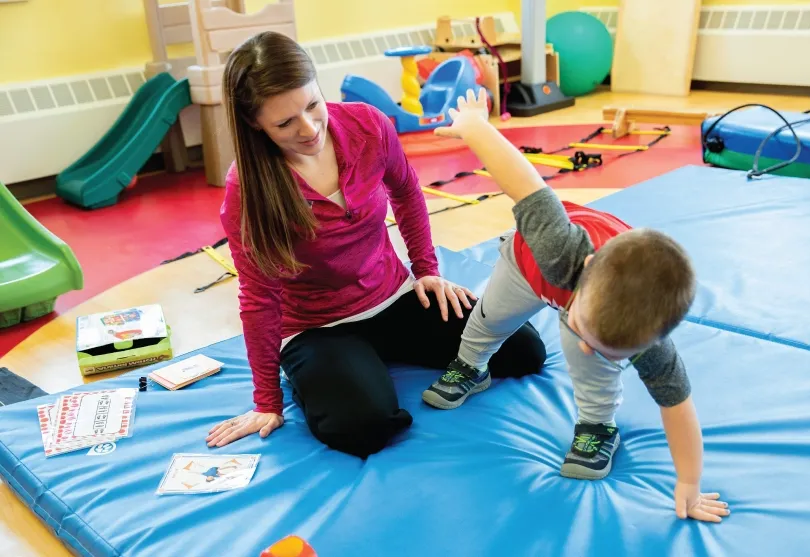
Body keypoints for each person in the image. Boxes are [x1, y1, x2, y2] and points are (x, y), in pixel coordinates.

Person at [204, 32, 546, 459]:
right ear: (255, 123)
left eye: (312, 105)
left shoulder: (367, 124)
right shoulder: (246, 190)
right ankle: (327, 372)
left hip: (393, 296)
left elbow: (407, 192)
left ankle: (369, 359)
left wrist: (426, 271)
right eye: (285, 123)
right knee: (363, 426)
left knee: (524, 350)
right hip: (318, 327)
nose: (309, 128)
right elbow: (258, 297)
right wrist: (267, 402)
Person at [422, 89, 730, 523]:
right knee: (489, 318)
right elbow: (522, 179)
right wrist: (476, 127)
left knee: (590, 363)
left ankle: (598, 425)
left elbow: (679, 409)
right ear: (585, 271)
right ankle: (472, 366)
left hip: (585, 300)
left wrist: (689, 486)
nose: (587, 345)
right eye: (589, 331)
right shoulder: (559, 247)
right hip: (526, 266)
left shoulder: (648, 339)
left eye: (609, 345)